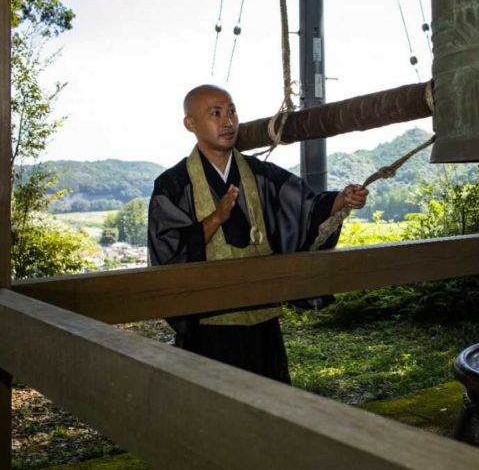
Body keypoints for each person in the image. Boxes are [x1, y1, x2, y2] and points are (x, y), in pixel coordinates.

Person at [147, 84, 368, 383]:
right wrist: (215, 219)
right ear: (191, 124)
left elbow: (305, 208)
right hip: (209, 325)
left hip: (262, 316)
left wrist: (340, 200)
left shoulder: (260, 175)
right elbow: (167, 249)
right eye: (216, 113)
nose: (228, 121)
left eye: (232, 111)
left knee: (269, 402)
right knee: (216, 409)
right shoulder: (172, 185)